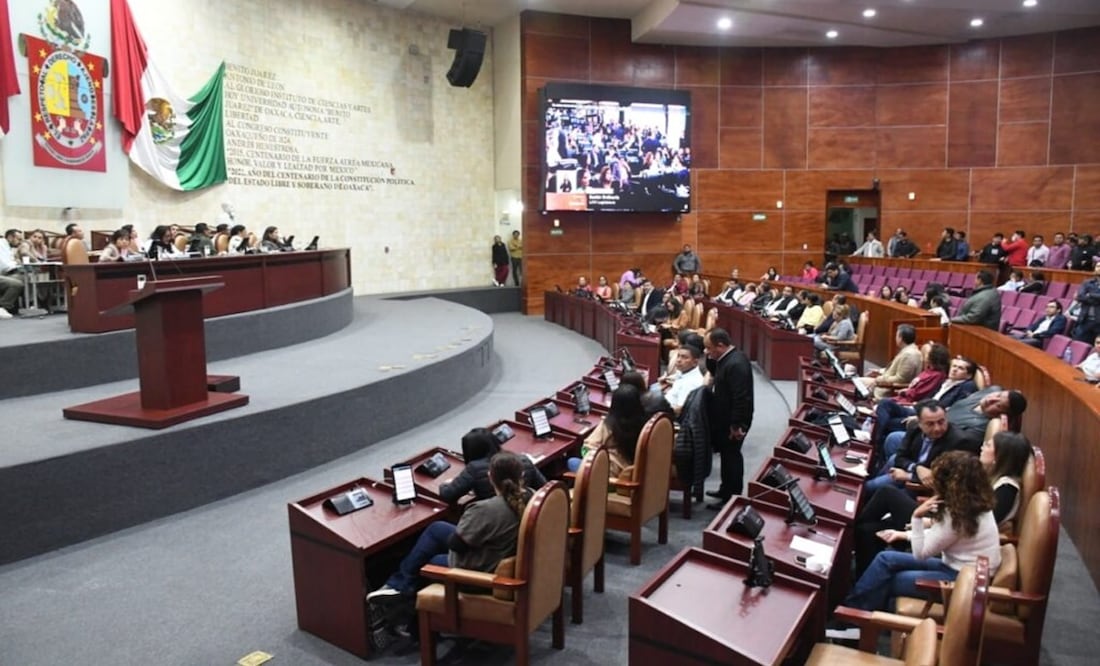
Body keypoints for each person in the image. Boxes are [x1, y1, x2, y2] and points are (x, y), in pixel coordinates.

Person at [832, 452, 1001, 629]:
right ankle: (852, 613)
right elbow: (941, 536)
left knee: (889, 579)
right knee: (885, 558)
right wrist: (904, 535)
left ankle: (852, 623)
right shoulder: (975, 504)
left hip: (961, 580)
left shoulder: (957, 515)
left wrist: (917, 516)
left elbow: (921, 553)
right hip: (958, 567)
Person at [366, 452, 532, 631]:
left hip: (481, 573)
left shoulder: (485, 510)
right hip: (502, 557)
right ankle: (398, 586)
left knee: (430, 563)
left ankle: (411, 621)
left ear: (490, 477)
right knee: (436, 528)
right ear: (521, 475)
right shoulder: (531, 497)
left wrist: (467, 524)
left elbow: (456, 544)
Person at [852, 433, 1029, 579]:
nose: (982, 446)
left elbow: (964, 525)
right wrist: (909, 532)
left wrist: (921, 519)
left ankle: (849, 539)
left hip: (962, 564)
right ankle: (854, 554)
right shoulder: (982, 482)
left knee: (886, 495)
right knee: (870, 528)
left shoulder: (1004, 489)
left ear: (1000, 456)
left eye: (989, 445)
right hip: (951, 539)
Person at [864, 399, 977, 494]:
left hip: (923, 487)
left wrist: (909, 476)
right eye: (930, 424)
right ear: (919, 423)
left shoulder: (960, 442)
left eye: (941, 422)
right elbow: (900, 457)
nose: (937, 428)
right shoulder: (914, 427)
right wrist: (916, 468)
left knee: (868, 488)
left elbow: (948, 480)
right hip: (915, 468)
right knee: (892, 458)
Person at [703, 328, 754, 508]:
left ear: (721, 345)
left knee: (732, 457)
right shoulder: (725, 359)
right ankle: (725, 489)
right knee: (726, 455)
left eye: (709, 348)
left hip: (735, 421)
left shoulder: (736, 364)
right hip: (726, 417)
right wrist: (709, 357)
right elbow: (715, 372)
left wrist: (737, 425)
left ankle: (732, 498)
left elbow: (742, 397)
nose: (707, 352)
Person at [439, 428, 546, 504]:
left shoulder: (474, 468)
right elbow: (544, 488)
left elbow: (448, 495)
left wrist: (445, 484)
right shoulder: (523, 460)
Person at [567, 384, 648, 476]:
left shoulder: (608, 425)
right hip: (636, 473)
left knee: (572, 461)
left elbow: (586, 449)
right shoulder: (646, 424)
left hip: (609, 478)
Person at [860, 324, 923, 399]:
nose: (895, 338)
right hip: (885, 382)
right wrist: (880, 371)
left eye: (896, 335)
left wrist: (879, 379)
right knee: (857, 382)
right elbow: (896, 369)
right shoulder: (909, 350)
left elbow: (900, 379)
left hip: (888, 389)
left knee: (856, 383)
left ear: (900, 338)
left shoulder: (909, 355)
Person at [665, 344, 705, 415]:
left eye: (684, 357)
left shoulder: (691, 383)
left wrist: (660, 410)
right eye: (678, 356)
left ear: (695, 362)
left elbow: (681, 410)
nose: (679, 360)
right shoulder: (683, 372)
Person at [1071, 262, 1100, 343]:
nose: (1099, 268)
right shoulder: (1087, 282)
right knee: (1078, 345)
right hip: (1085, 320)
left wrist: (1089, 295)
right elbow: (1079, 296)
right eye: (1097, 266)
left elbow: (1084, 297)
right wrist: (1096, 298)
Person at [0, 229, 25, 319]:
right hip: (3, 273)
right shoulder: (1, 244)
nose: (20, 242)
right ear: (10, 237)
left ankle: (15, 307)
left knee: (22, 278)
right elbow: (5, 266)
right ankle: (2, 307)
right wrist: (18, 265)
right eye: (19, 239)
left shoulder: (7, 246)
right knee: (16, 283)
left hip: (3, 274)